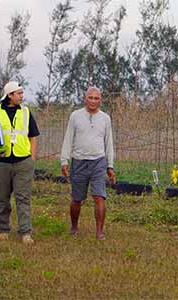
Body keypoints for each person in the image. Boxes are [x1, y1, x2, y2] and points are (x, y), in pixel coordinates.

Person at [0, 81, 39, 244]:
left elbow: (33, 136)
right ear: (9, 95)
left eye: (22, 93)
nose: (22, 96)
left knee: (23, 198)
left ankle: (25, 232)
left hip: (23, 161)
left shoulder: (26, 112)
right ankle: (2, 229)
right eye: (18, 93)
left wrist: (32, 157)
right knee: (3, 198)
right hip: (2, 162)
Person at [60, 86, 115, 240]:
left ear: (100, 100)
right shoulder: (75, 116)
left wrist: (110, 166)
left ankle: (99, 232)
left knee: (99, 196)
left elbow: (109, 142)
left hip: (98, 161)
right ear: (85, 99)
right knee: (77, 199)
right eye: (90, 98)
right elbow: (68, 138)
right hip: (79, 161)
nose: (93, 101)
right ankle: (74, 226)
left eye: (96, 98)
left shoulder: (105, 118)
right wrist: (64, 161)